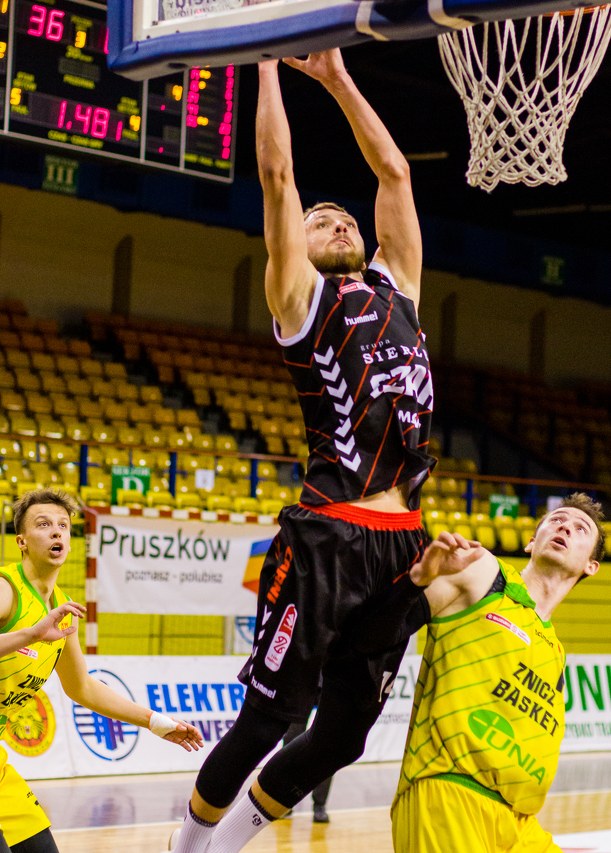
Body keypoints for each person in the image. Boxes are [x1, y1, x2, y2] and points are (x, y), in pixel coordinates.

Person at [168, 47, 434, 853]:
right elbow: (277, 177)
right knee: (268, 718)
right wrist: (266, 65)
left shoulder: (397, 288)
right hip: (330, 533)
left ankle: (227, 844)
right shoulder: (299, 301)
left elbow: (394, 175)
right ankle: (187, 847)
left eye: (343, 217)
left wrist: (337, 78)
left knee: (345, 735)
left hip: (403, 540)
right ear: (298, 246)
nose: (338, 219)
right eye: (321, 220)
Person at [385, 492, 605, 853]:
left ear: (591, 566)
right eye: (556, 520)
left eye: (580, 528)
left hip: (518, 821)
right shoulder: (484, 574)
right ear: (531, 542)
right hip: (449, 793)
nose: (565, 527)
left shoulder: (555, 650)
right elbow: (384, 628)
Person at [0, 487, 203, 853]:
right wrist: (30, 634)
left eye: (63, 525)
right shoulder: (6, 589)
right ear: (22, 542)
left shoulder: (63, 611)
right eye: (43, 524)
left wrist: (154, 721)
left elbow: (83, 688)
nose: (56, 531)